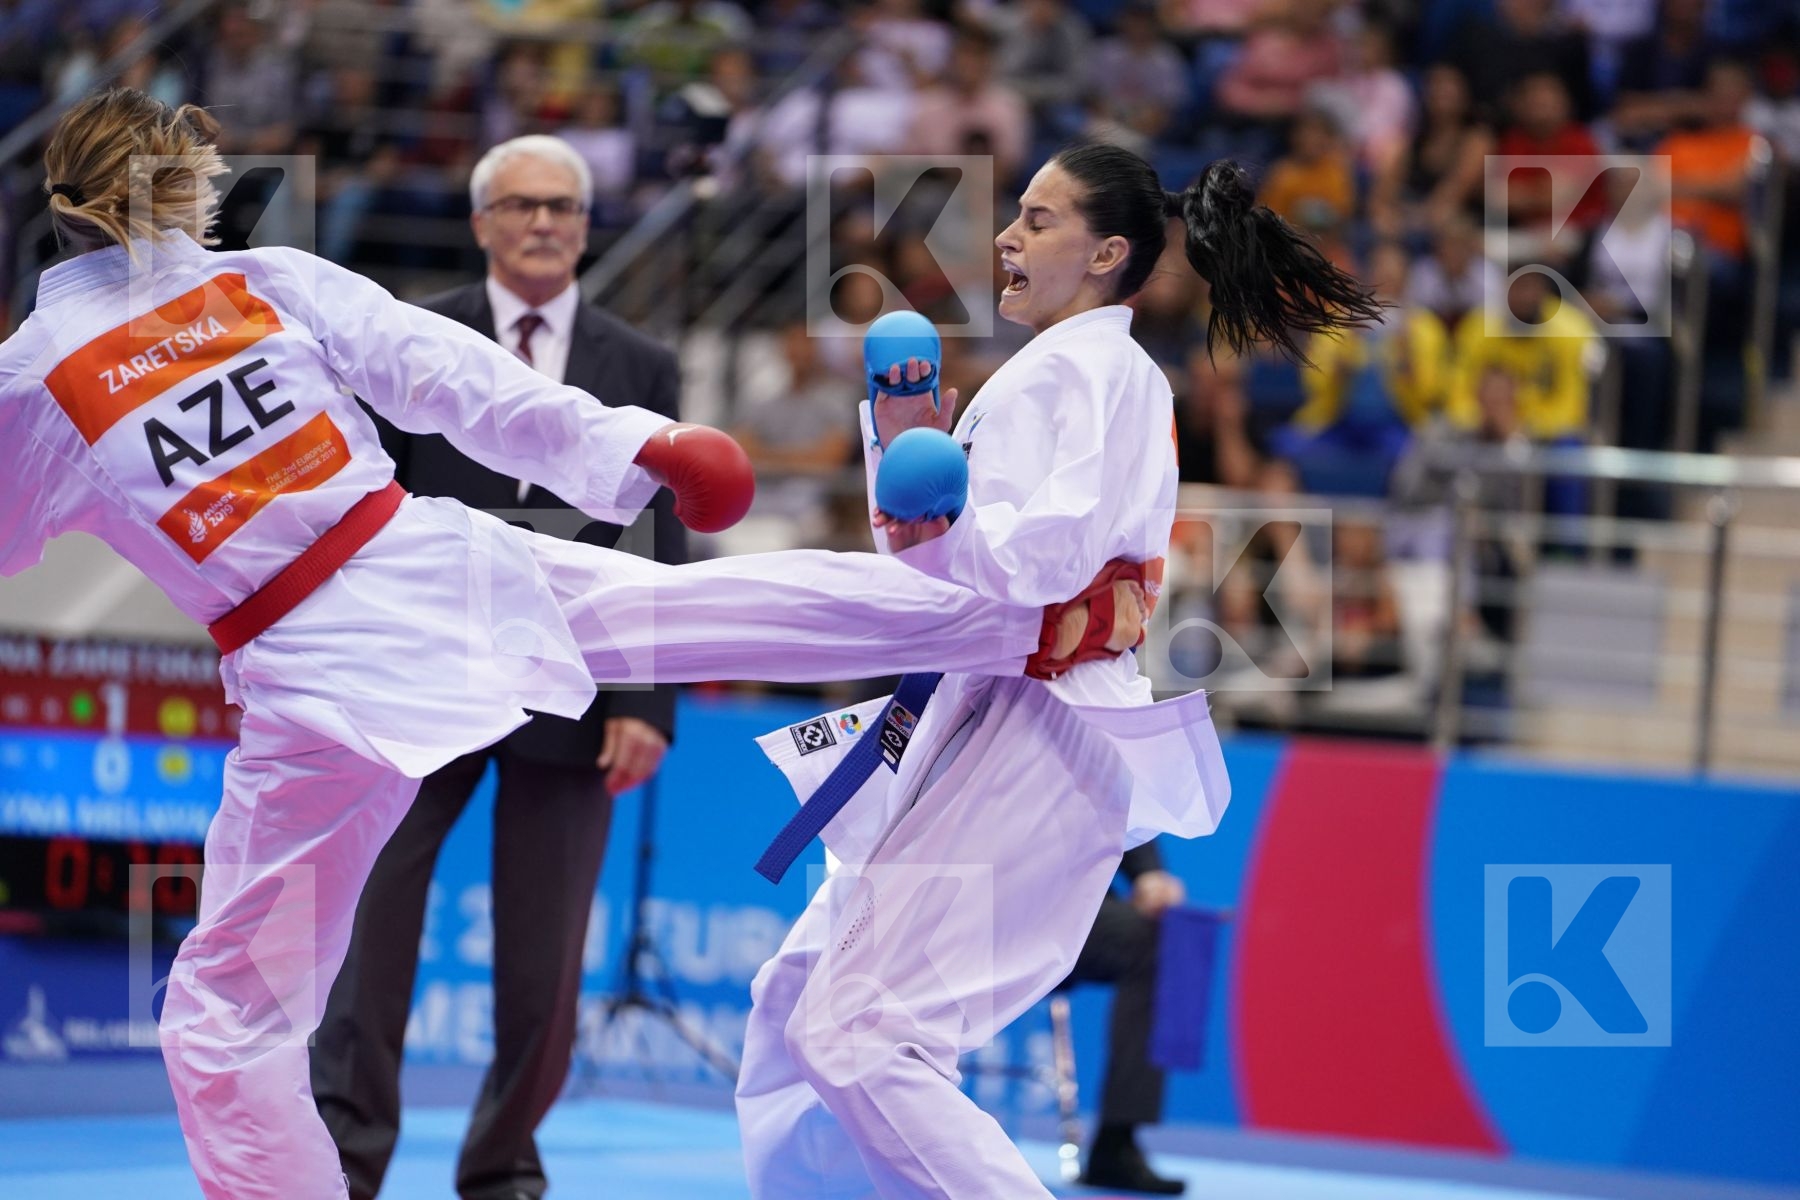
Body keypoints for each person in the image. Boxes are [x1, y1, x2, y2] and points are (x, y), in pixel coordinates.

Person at [2, 88, 1142, 1200]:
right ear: (180, 197)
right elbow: (451, 378)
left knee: (228, 1020)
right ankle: (1032, 617)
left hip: (315, 677)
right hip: (441, 574)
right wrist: (645, 450)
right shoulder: (260, 282)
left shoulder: (35, 376)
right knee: (724, 609)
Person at [735, 143, 1379, 1199]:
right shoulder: (1054, 370)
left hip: (1040, 722)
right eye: (1016, 216)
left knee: (857, 1033)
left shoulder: (1099, 371)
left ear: (1107, 251)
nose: (1006, 236)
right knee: (796, 998)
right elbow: (961, 558)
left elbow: (1040, 564)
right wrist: (908, 453)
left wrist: (933, 517)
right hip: (985, 704)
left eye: (1037, 219)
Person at [307, 136, 686, 1200]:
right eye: (521, 204)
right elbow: (362, 502)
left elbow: (661, 536)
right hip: (419, 684)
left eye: (564, 205)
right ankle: (344, 1160)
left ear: (585, 222)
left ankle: (504, 1166)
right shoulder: (412, 337)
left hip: (574, 693)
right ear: (481, 222)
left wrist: (648, 699)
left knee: (545, 964)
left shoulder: (641, 364)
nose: (545, 222)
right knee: (367, 940)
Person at [1064, 842, 1191, 1195]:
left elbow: (1121, 798)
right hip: (988, 894)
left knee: (1159, 938)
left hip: (1071, 904)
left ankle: (1116, 1145)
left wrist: (1148, 874)